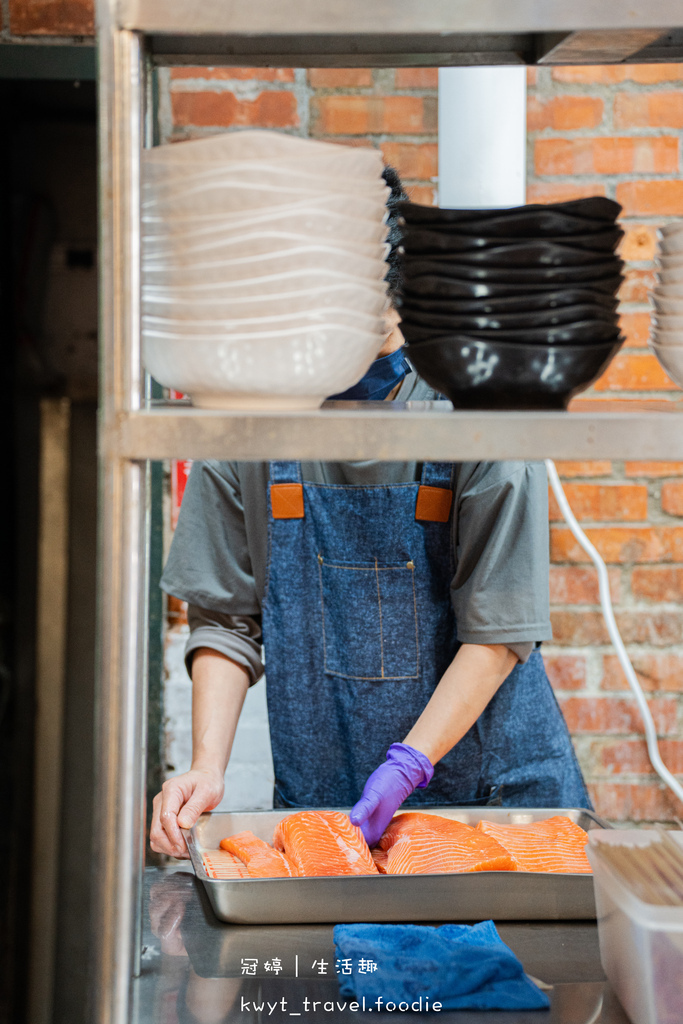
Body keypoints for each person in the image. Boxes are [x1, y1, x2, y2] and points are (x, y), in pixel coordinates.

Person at [150, 168, 590, 859]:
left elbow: (498, 631)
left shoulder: (477, 409)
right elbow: (226, 618)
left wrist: (408, 767)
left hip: (490, 810)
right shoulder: (248, 419)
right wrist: (206, 766)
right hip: (324, 810)